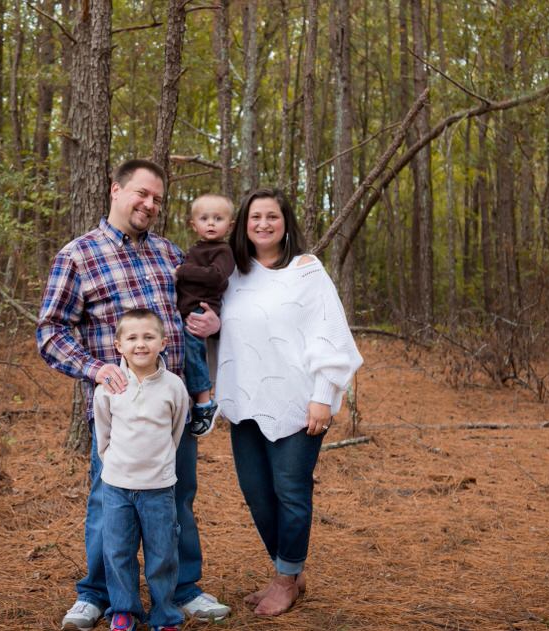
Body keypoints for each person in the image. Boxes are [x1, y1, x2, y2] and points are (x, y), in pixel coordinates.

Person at [36, 159, 231, 631]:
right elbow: (51, 332)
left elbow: (191, 319)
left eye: (158, 199)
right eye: (142, 193)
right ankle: (97, 594)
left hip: (171, 410)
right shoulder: (79, 255)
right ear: (116, 190)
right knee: (109, 502)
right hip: (118, 412)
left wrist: (212, 326)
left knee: (178, 498)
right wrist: (97, 368)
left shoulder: (171, 254)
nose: (149, 204)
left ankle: (183, 589)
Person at [214, 188, 363, 616]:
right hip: (246, 402)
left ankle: (285, 579)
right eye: (254, 216)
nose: (263, 223)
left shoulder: (306, 270)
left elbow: (331, 334)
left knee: (290, 492)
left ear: (285, 223)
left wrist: (324, 396)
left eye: (272, 216)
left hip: (298, 403)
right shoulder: (232, 275)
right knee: (257, 494)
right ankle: (290, 571)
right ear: (243, 224)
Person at [94, 309, 189, 631]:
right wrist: (114, 464)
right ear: (118, 345)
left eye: (148, 337)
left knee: (162, 554)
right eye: (132, 338)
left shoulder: (174, 386)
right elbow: (103, 434)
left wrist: (158, 464)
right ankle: (124, 610)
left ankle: (165, 614)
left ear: (163, 342)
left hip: (159, 487)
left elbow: (176, 432)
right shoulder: (108, 387)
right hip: (117, 485)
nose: (141, 344)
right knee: (118, 550)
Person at [175, 194, 236, 437]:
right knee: (185, 350)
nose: (211, 223)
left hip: (202, 308)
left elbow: (215, 276)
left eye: (218, 218)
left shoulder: (224, 251)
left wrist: (183, 271)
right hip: (186, 308)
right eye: (204, 218)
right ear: (193, 224)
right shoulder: (196, 249)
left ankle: (204, 401)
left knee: (192, 346)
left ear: (229, 225)